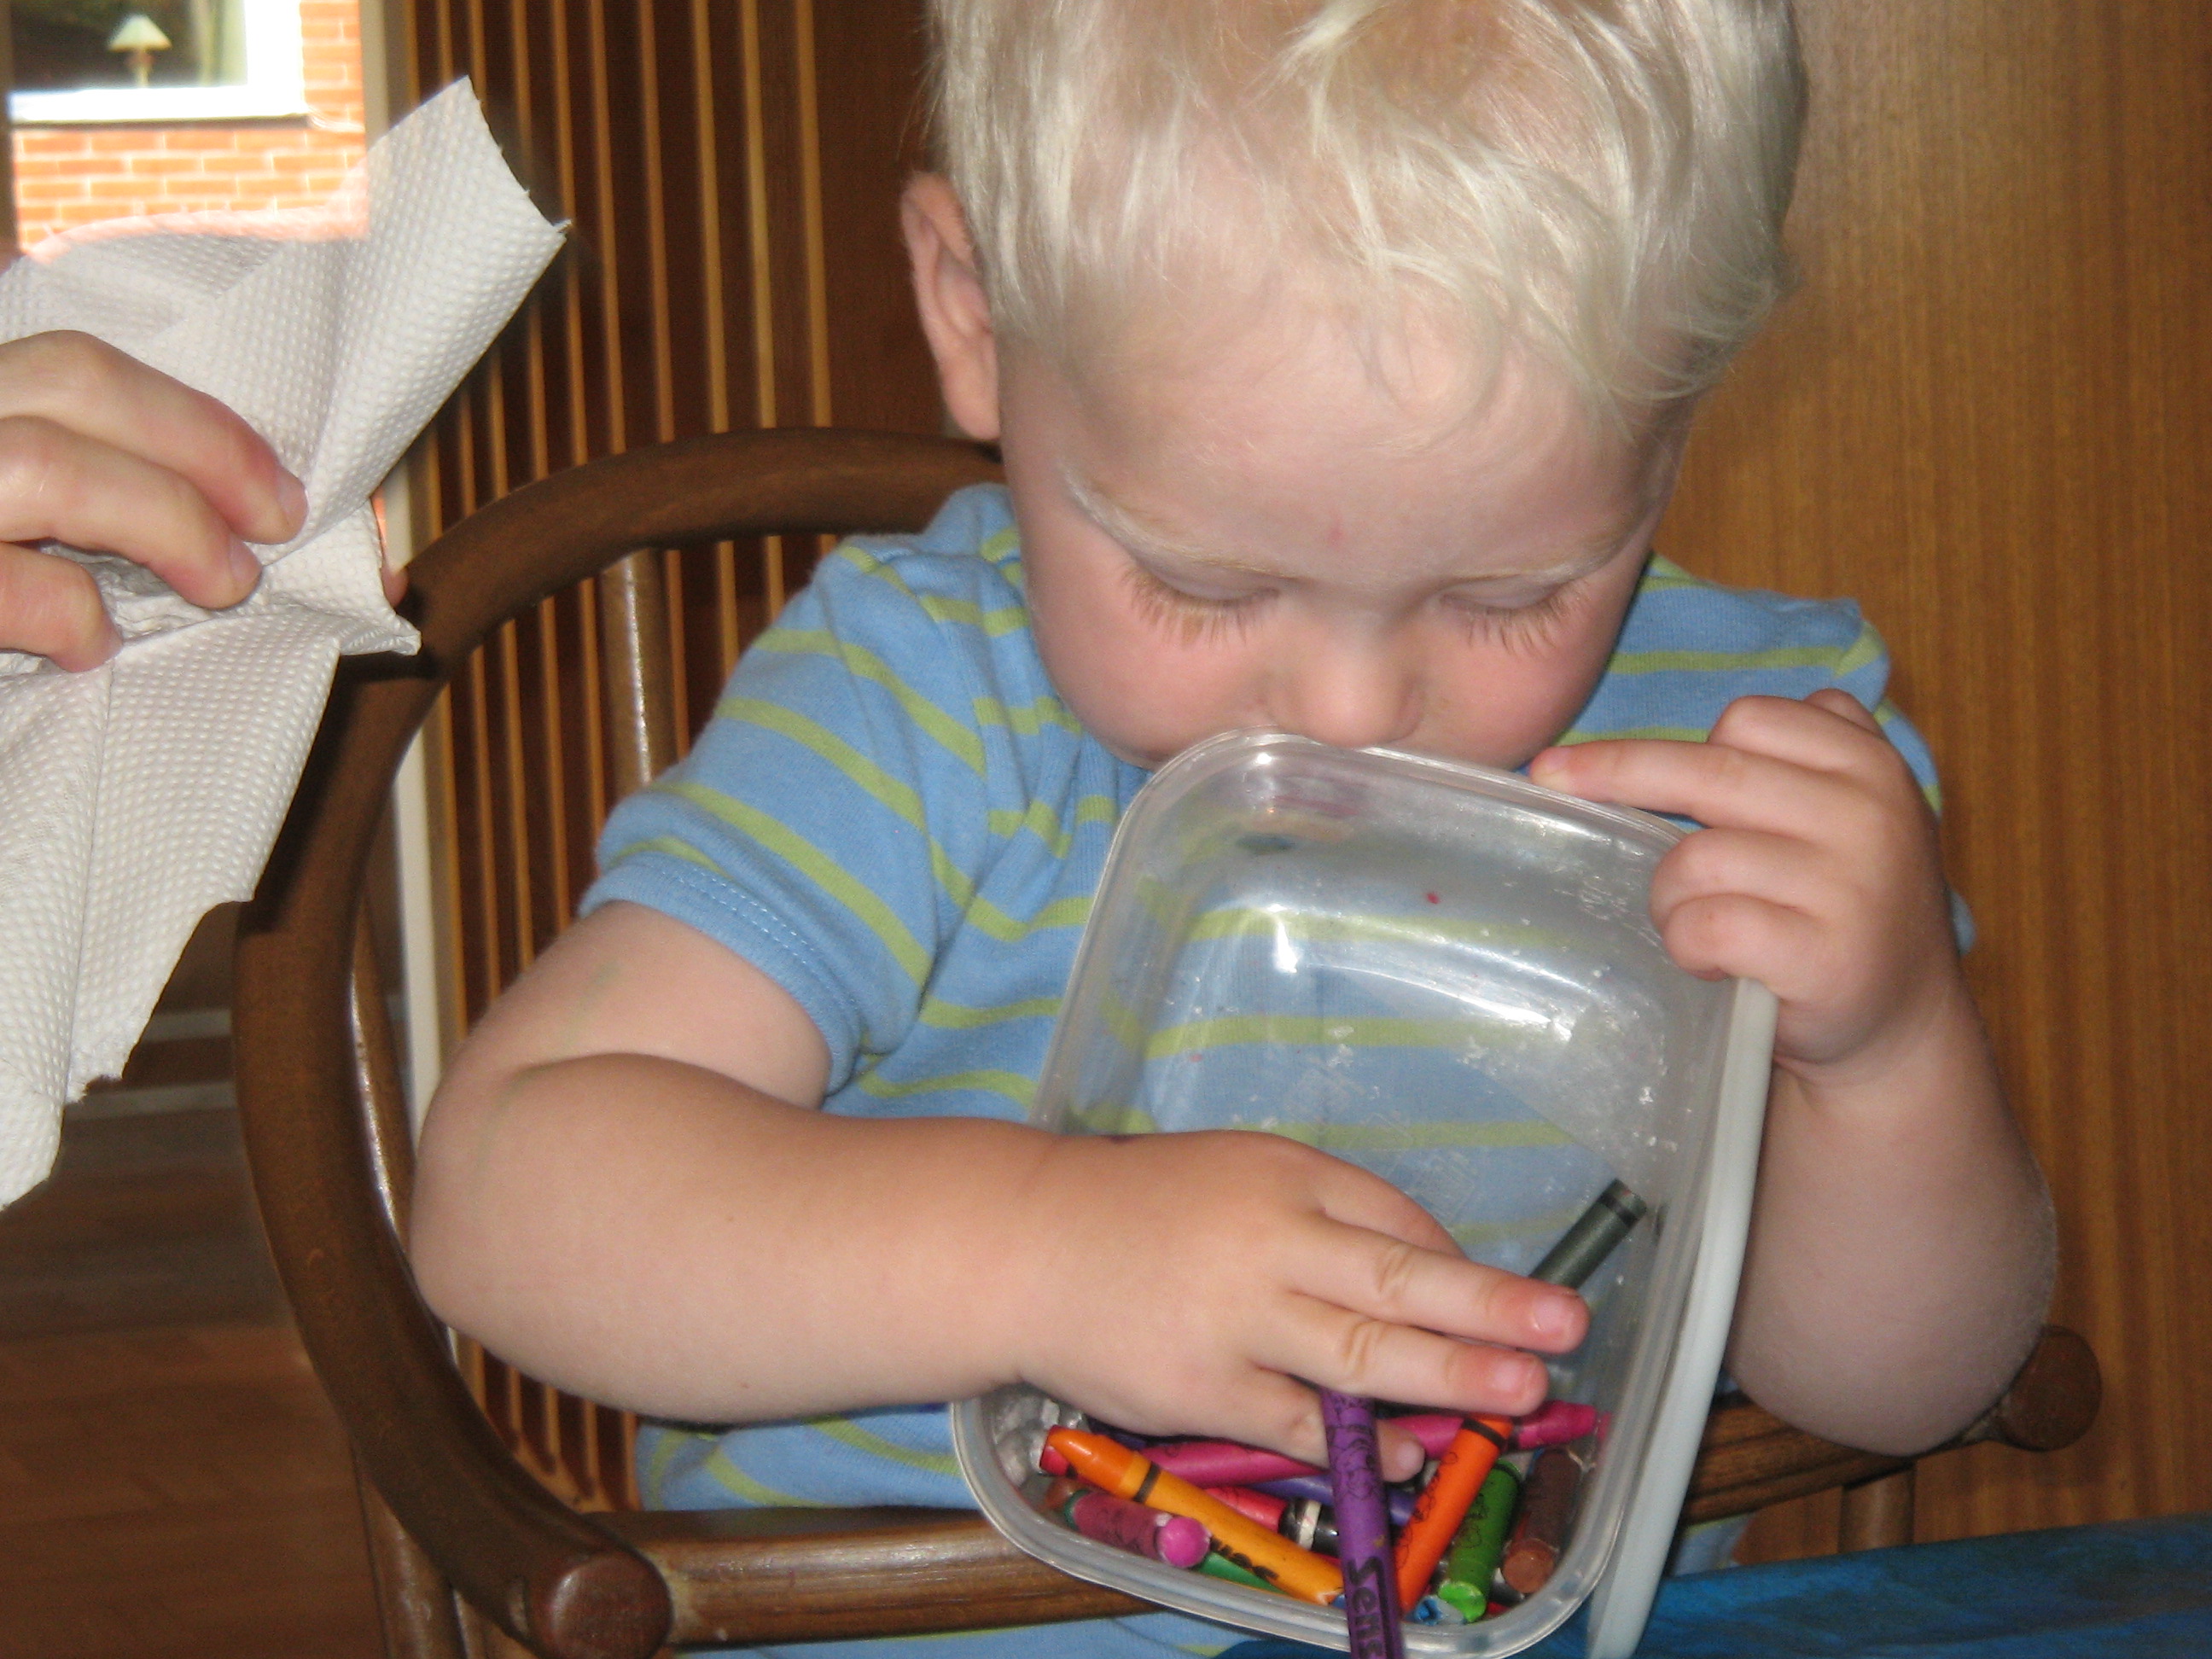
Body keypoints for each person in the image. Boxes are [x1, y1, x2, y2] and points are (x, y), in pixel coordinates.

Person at [18, 3, 2054, 1652]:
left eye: (1514, 591)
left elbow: (1905, 1387)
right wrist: (1049, 1251)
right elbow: (508, 1195)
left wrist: (1884, 1058)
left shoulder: (1743, 767)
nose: (1354, 704)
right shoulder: (930, 703)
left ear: (1677, 422)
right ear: (973, 315)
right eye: (1204, 579)